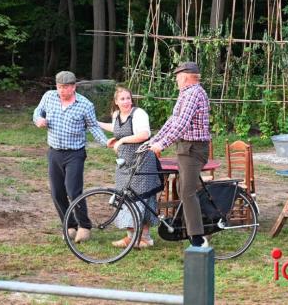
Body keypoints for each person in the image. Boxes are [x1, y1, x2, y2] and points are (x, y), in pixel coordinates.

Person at [33, 71, 108, 243]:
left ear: (73, 87)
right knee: (57, 192)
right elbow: (37, 112)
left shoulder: (85, 105)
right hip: (54, 152)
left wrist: (107, 143)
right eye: (59, 87)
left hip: (75, 153)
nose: (61, 90)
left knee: (73, 191)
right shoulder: (49, 97)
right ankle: (69, 225)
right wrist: (38, 119)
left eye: (65, 87)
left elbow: (93, 127)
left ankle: (84, 226)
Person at [149, 61, 211, 247]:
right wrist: (154, 141)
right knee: (182, 188)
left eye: (177, 76)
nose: (176, 80)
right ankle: (186, 227)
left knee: (187, 191)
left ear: (185, 76)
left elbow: (182, 123)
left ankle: (198, 238)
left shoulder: (193, 93)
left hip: (193, 148)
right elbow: (172, 121)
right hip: (185, 148)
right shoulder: (185, 94)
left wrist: (162, 144)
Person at [98, 86, 162, 248]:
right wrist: (99, 125)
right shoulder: (117, 115)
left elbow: (144, 134)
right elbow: (116, 128)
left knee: (142, 198)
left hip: (142, 162)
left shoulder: (139, 114)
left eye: (128, 98)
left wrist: (122, 140)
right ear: (116, 102)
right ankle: (131, 236)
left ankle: (145, 238)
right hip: (125, 163)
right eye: (122, 99)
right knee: (124, 197)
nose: (126, 101)